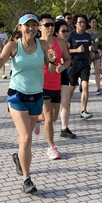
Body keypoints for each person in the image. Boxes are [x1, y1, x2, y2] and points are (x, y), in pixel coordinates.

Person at [0, 13, 58, 193]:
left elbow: (51, 70)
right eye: (27, 25)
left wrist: (52, 60)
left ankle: (18, 156)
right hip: (17, 96)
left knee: (24, 140)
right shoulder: (13, 46)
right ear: (20, 27)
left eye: (34, 25)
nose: (31, 28)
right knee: (27, 137)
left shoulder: (42, 45)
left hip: (36, 96)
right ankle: (26, 180)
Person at [37, 14, 71, 159]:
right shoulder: (37, 44)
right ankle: (51, 147)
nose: (50, 27)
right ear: (40, 28)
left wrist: (63, 66)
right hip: (41, 84)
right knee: (49, 116)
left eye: (52, 25)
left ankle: (37, 119)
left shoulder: (61, 43)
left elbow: (68, 60)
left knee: (54, 117)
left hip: (55, 84)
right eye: (47, 25)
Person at [66, 14, 95, 120]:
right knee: (72, 87)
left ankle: (83, 111)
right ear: (75, 24)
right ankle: (66, 104)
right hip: (74, 64)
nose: (82, 24)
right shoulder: (71, 35)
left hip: (85, 63)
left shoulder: (87, 35)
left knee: (85, 86)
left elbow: (89, 45)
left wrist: (91, 50)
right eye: (80, 22)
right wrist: (76, 50)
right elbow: (66, 50)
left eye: (84, 22)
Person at [55, 19, 77, 139]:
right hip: (50, 76)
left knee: (65, 103)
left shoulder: (65, 45)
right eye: (63, 31)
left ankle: (64, 128)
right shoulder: (47, 44)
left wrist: (63, 66)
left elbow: (68, 61)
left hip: (63, 74)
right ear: (56, 32)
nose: (66, 33)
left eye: (67, 31)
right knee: (49, 108)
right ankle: (38, 118)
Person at [89, 16, 102, 95]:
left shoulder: (97, 32)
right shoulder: (88, 32)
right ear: (89, 23)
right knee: (86, 71)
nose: (94, 23)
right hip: (89, 53)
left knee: (97, 71)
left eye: (95, 22)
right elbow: (86, 42)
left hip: (96, 52)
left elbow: (96, 42)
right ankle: (83, 85)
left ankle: (98, 88)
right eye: (93, 22)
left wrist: (99, 42)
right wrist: (93, 41)